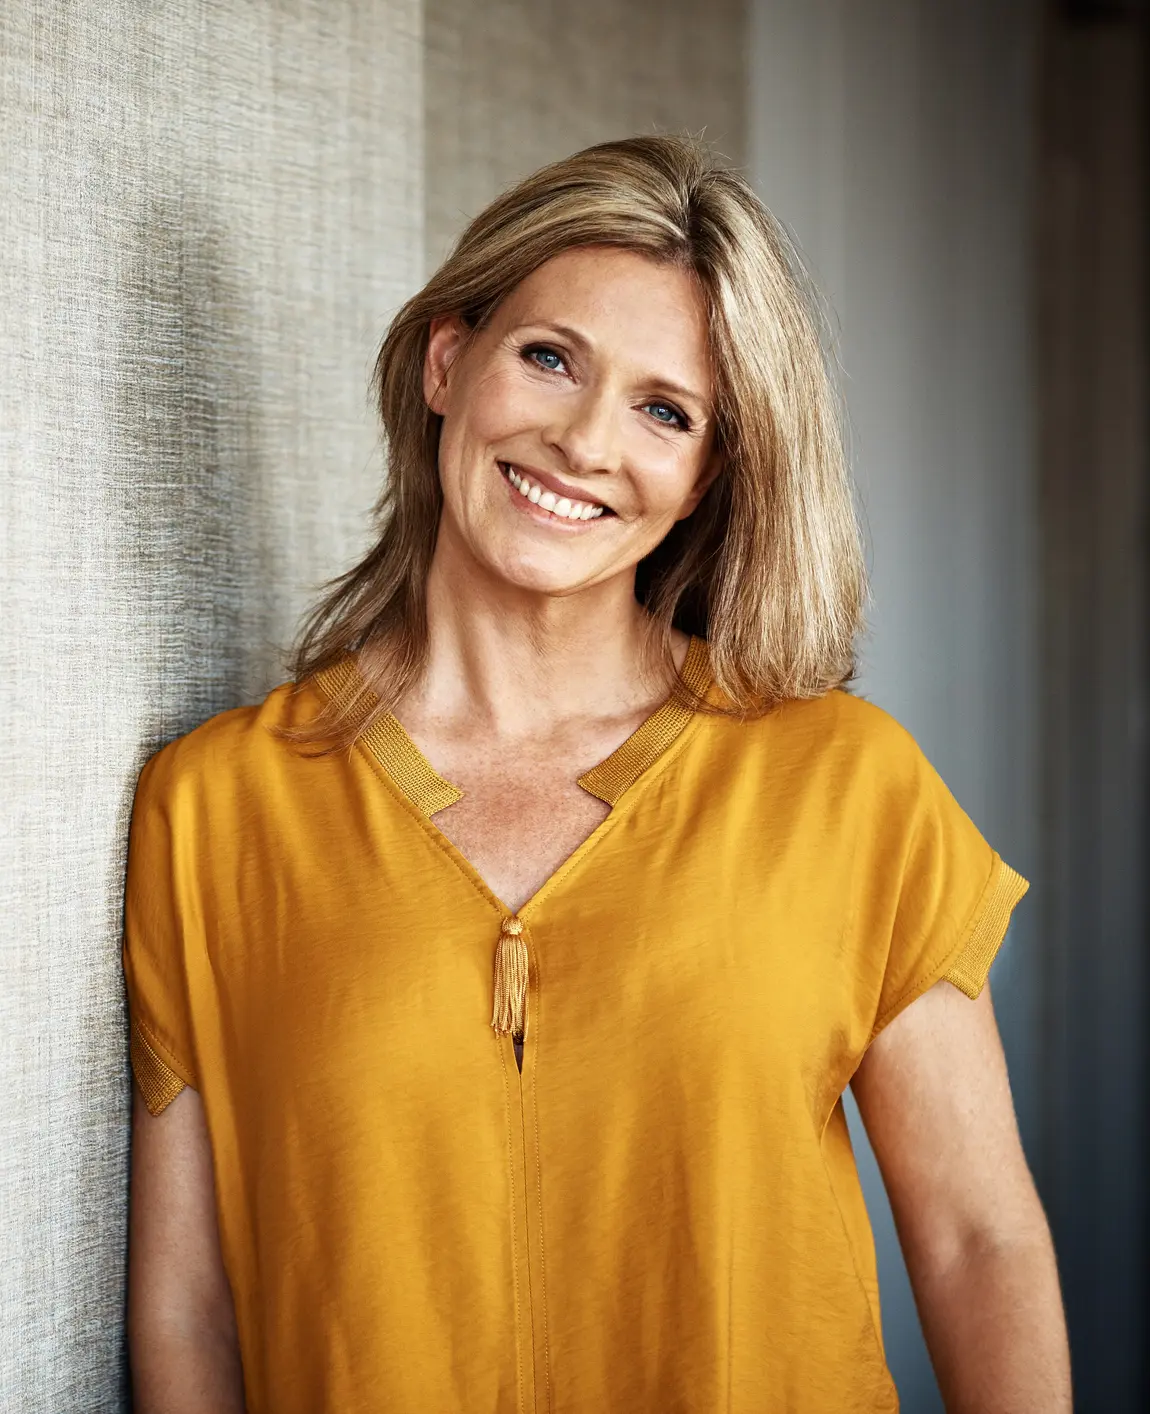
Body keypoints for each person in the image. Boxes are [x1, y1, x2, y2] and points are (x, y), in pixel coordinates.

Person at [123, 133, 1071, 1413]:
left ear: (705, 475)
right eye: (549, 358)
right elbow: (191, 1313)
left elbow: (975, 1242)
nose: (582, 441)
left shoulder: (849, 787)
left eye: (663, 410)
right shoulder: (215, 808)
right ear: (447, 363)